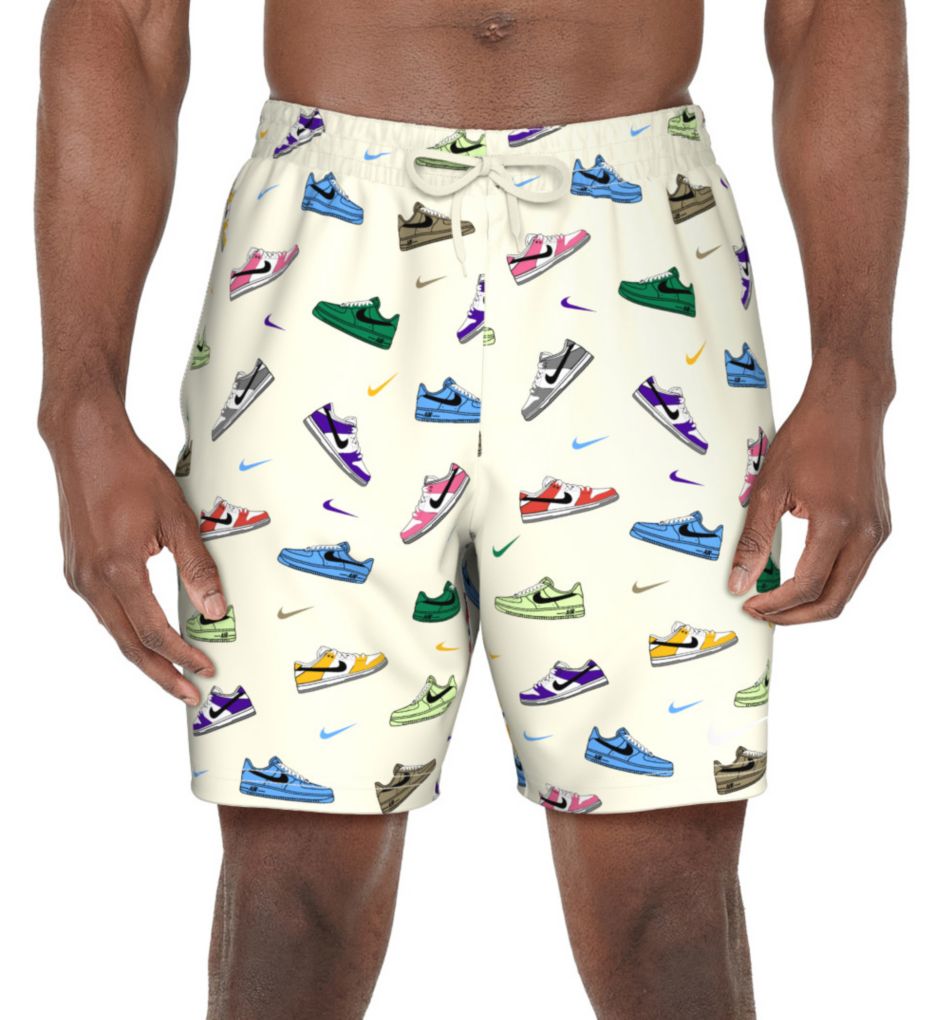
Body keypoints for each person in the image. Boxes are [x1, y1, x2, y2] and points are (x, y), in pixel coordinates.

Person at [35, 2, 904, 1017]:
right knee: (289, 905)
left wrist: (854, 370)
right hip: (326, 238)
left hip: (635, 241)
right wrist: (80, 403)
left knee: (669, 912)